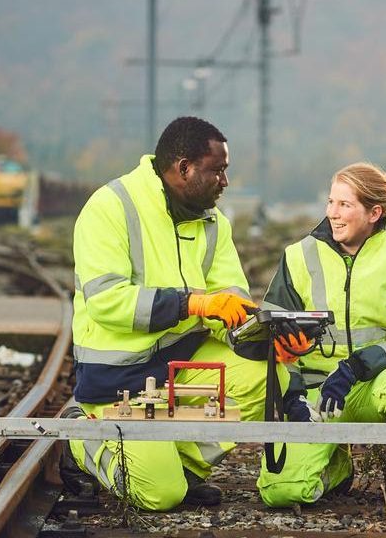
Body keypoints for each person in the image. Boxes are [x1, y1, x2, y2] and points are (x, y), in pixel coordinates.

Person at [61, 116, 287, 511]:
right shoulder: (110, 207)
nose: (225, 182)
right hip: (122, 377)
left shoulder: (214, 223)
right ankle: (81, 437)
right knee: (158, 496)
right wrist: (192, 303)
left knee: (267, 373)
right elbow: (106, 301)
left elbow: (231, 300)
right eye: (218, 171)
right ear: (184, 168)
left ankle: (182, 468)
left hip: (182, 365)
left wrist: (266, 338)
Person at [255, 162, 386, 507]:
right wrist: (292, 392)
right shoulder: (298, 257)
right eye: (330, 203)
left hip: (374, 386)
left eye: (344, 205)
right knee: (281, 492)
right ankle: (337, 467)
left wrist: (357, 366)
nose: (333, 214)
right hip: (319, 394)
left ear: (374, 212)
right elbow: (274, 337)